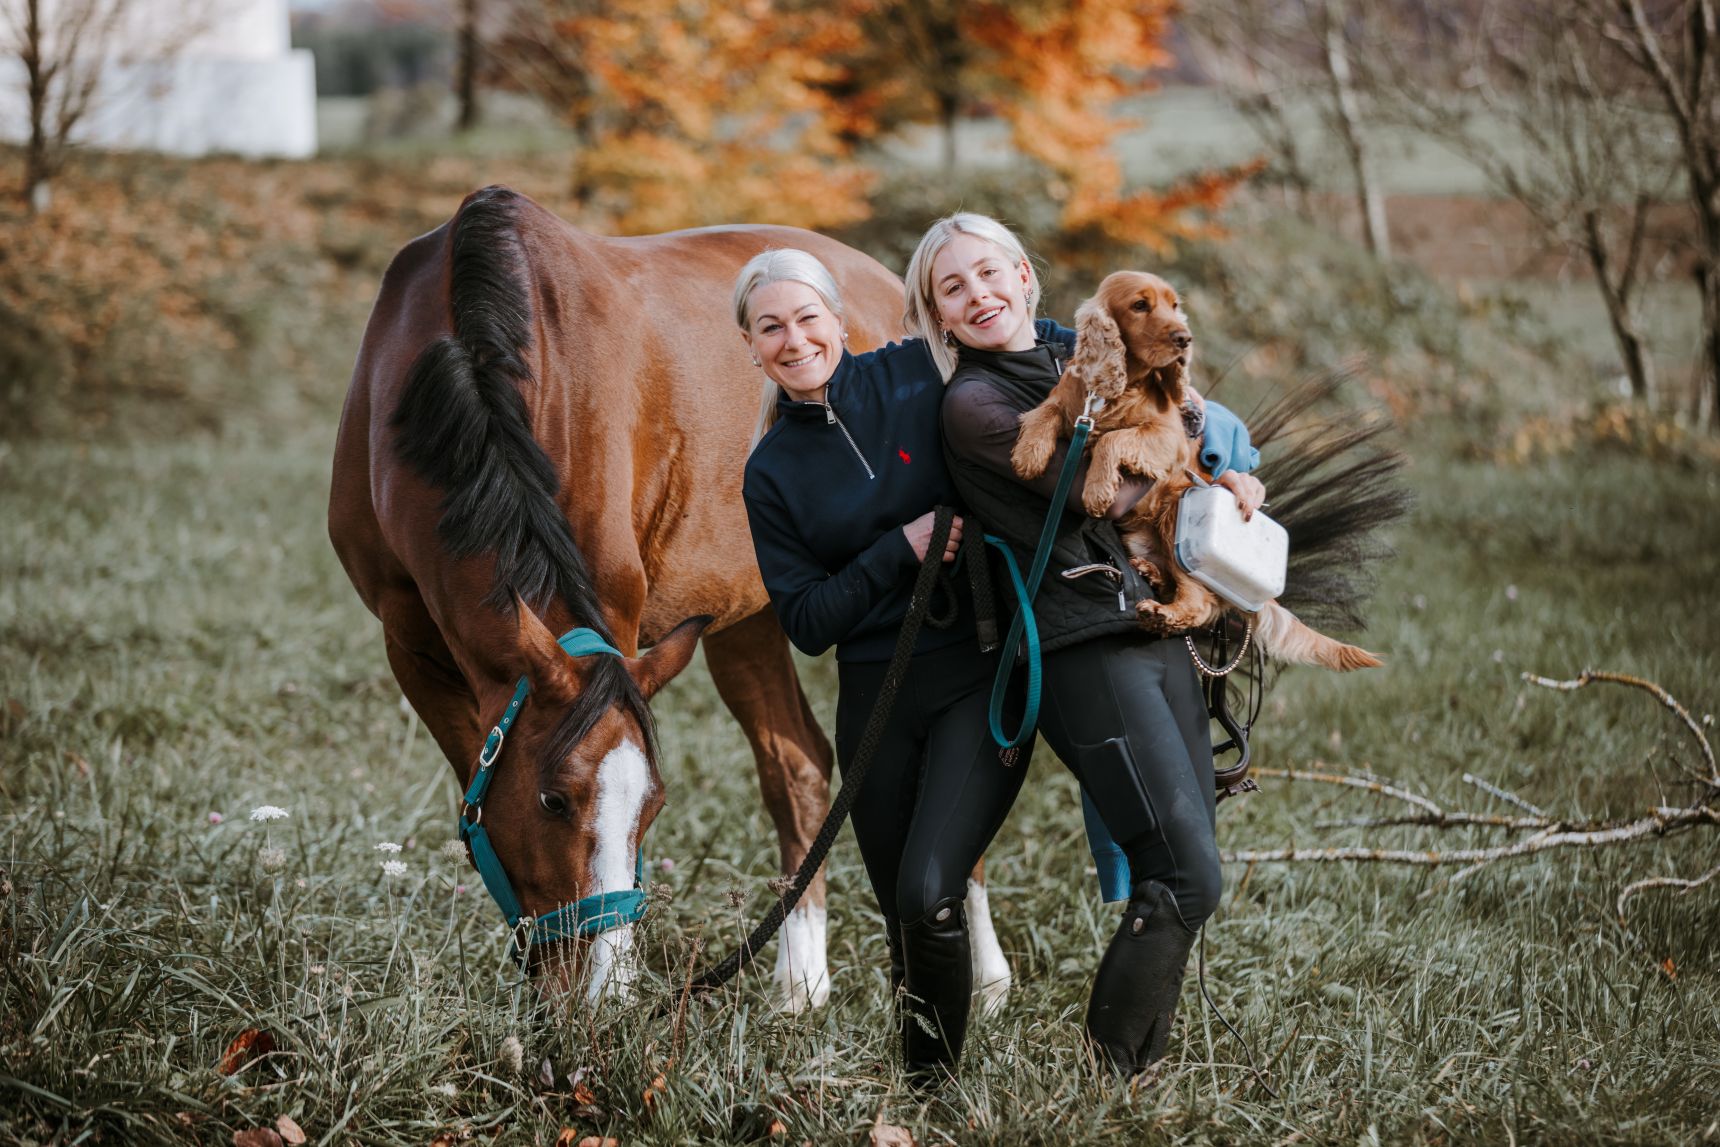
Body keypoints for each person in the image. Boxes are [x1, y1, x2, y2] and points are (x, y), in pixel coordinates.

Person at [904, 212, 1266, 1078]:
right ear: (939, 316)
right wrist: (1177, 447)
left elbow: (1195, 409)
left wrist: (1233, 464)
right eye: (953, 288)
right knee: (1187, 876)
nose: (978, 295)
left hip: (1153, 627)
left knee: (1188, 871)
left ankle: (1133, 1080)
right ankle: (1104, 1081)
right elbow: (1096, 492)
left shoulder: (1083, 344)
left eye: (990, 274)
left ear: (1025, 276)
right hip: (1077, 644)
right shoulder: (975, 404)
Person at [736, 248, 1033, 1086]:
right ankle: (928, 1089)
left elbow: (1037, 344)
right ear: (751, 346)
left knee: (929, 885)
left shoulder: (916, 371)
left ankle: (944, 1082)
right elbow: (806, 624)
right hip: (874, 692)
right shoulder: (769, 473)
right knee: (904, 919)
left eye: (806, 319)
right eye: (771, 328)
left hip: (975, 668)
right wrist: (895, 551)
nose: (794, 341)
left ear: (838, 319)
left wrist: (1204, 427)